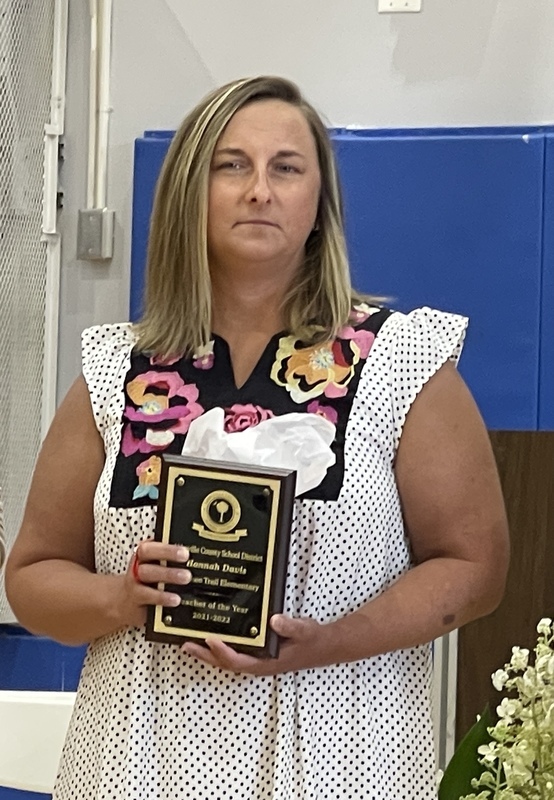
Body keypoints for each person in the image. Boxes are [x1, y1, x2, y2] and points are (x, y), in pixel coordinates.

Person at [5, 76, 509, 800]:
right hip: (133, 767)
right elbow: (32, 577)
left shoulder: (402, 360)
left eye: (287, 167)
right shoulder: (115, 368)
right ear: (189, 191)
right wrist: (123, 598)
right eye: (232, 165)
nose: (260, 191)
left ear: (319, 203)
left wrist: (330, 641)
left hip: (342, 761)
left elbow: (475, 567)